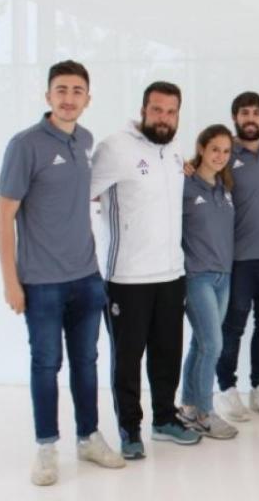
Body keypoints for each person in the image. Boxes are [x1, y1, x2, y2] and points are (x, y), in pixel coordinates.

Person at [0, 60, 125, 486]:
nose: (69, 98)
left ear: (88, 99)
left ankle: (88, 437)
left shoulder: (85, 141)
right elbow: (3, 216)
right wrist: (11, 281)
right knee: (46, 363)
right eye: (61, 89)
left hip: (87, 277)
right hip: (41, 281)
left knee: (86, 362)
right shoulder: (25, 145)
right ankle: (47, 447)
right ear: (47, 95)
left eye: (77, 91)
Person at [91, 81, 200, 459]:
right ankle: (129, 430)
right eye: (157, 110)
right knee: (127, 357)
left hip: (170, 272)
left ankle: (165, 420)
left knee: (167, 351)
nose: (164, 118)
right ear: (143, 109)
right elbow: (81, 193)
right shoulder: (114, 148)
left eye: (171, 112)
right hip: (127, 277)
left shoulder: (174, 148)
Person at [214, 92, 259, 421]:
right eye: (244, 113)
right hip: (240, 260)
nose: (250, 119)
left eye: (256, 113)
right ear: (235, 118)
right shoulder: (225, 153)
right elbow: (200, 175)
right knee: (233, 329)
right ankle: (227, 390)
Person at [176, 125, 239, 439]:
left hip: (222, 276)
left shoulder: (224, 189)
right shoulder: (184, 184)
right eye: (215, 149)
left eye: (226, 151)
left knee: (201, 343)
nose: (220, 156)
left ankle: (188, 405)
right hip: (196, 276)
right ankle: (205, 412)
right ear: (201, 148)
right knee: (213, 344)